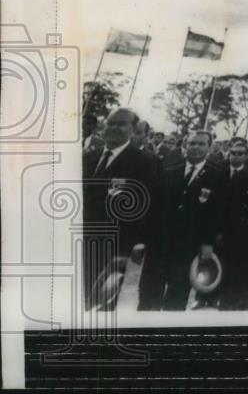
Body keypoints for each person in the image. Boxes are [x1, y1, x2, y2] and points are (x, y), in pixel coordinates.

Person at [82, 108, 159, 310]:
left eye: (121, 124)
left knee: (102, 302)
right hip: (81, 240)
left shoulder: (144, 161)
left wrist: (129, 247)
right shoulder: (90, 156)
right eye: (111, 123)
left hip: (113, 246)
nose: (114, 128)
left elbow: (145, 208)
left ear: (133, 130)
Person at [142, 130, 223, 310]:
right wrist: (144, 239)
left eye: (201, 144)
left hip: (188, 246)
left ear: (209, 148)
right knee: (149, 292)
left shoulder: (217, 176)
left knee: (177, 295)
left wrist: (208, 243)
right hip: (160, 243)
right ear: (185, 145)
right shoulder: (168, 168)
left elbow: (216, 214)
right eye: (192, 143)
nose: (196, 147)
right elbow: (154, 207)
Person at [214, 138, 248, 310]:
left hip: (240, 232)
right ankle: (207, 297)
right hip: (219, 228)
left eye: (240, 154)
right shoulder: (220, 171)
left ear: (246, 156)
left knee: (235, 270)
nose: (236, 157)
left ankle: (231, 302)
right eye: (233, 153)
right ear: (228, 153)